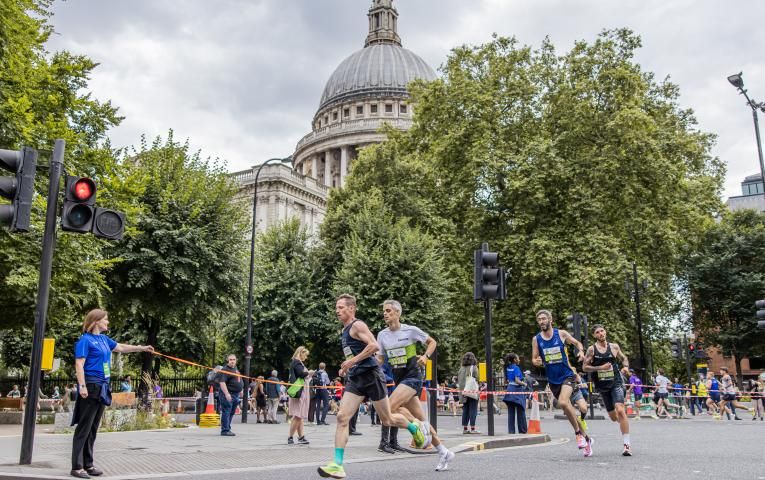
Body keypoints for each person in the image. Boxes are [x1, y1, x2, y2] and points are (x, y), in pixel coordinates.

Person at [318, 294, 430, 479]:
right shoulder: (345, 331)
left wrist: (351, 361)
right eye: (336, 308)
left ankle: (413, 427)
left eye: (341, 307)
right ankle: (337, 465)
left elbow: (374, 345)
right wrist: (347, 367)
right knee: (341, 417)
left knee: (387, 419)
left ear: (351, 308)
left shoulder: (357, 325)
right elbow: (354, 356)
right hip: (356, 379)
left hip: (371, 377)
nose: (337, 311)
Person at [70, 308, 153, 479]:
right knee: (84, 427)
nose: (108, 322)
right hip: (91, 384)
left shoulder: (103, 339)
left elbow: (121, 347)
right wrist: (82, 386)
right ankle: (77, 467)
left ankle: (88, 464)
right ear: (96, 321)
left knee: (93, 427)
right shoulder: (85, 340)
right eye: (105, 319)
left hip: (103, 385)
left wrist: (142, 348)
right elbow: (79, 364)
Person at [375, 300, 454, 471]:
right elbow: (380, 359)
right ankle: (443, 451)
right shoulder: (382, 335)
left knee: (389, 408)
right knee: (423, 419)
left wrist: (425, 356)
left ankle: (415, 427)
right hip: (399, 379)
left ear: (398, 313)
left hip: (413, 377)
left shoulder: (410, 331)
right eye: (384, 311)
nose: (385, 314)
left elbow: (432, 342)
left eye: (388, 311)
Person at [531, 309, 592, 457]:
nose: (541, 322)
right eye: (539, 319)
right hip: (553, 380)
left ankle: (578, 434)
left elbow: (577, 343)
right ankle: (587, 439)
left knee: (564, 403)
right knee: (567, 408)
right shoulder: (536, 339)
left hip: (567, 375)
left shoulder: (561, 334)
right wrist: (537, 362)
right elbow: (534, 358)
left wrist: (581, 352)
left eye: (544, 319)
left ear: (550, 320)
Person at [582, 324, 632, 456]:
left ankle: (627, 445)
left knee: (620, 410)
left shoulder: (614, 347)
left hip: (616, 382)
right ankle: (623, 421)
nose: (601, 334)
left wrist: (625, 367)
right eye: (597, 332)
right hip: (602, 387)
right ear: (594, 335)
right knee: (613, 417)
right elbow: (585, 367)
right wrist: (600, 368)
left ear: (606, 332)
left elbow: (624, 358)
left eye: (602, 331)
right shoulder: (592, 350)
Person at [288, 346, 311, 445]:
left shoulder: (296, 362)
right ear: (301, 353)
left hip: (300, 390)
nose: (306, 357)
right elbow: (301, 374)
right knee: (298, 415)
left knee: (299, 415)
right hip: (300, 391)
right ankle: (290, 436)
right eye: (305, 355)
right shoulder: (297, 362)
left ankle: (301, 436)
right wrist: (309, 372)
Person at [216, 354, 243, 436]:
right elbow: (222, 382)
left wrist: (241, 389)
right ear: (228, 360)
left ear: (236, 360)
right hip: (228, 394)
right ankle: (225, 430)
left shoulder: (235, 368)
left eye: (233, 359)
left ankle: (227, 428)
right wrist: (227, 394)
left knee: (231, 412)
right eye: (230, 359)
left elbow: (238, 379)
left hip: (236, 394)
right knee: (226, 411)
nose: (232, 361)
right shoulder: (225, 370)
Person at [502, 353, 527, 434]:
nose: (519, 360)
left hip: (509, 390)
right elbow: (517, 380)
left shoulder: (507, 367)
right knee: (521, 410)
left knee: (511, 412)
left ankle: (511, 431)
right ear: (515, 360)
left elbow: (506, 381)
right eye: (518, 358)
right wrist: (524, 384)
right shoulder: (516, 368)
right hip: (517, 391)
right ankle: (522, 430)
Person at [458, 352, 480, 434]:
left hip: (463, 391)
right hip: (472, 391)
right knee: (473, 409)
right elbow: (477, 378)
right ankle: (473, 428)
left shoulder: (461, 368)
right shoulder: (474, 368)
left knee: (465, 409)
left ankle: (465, 428)